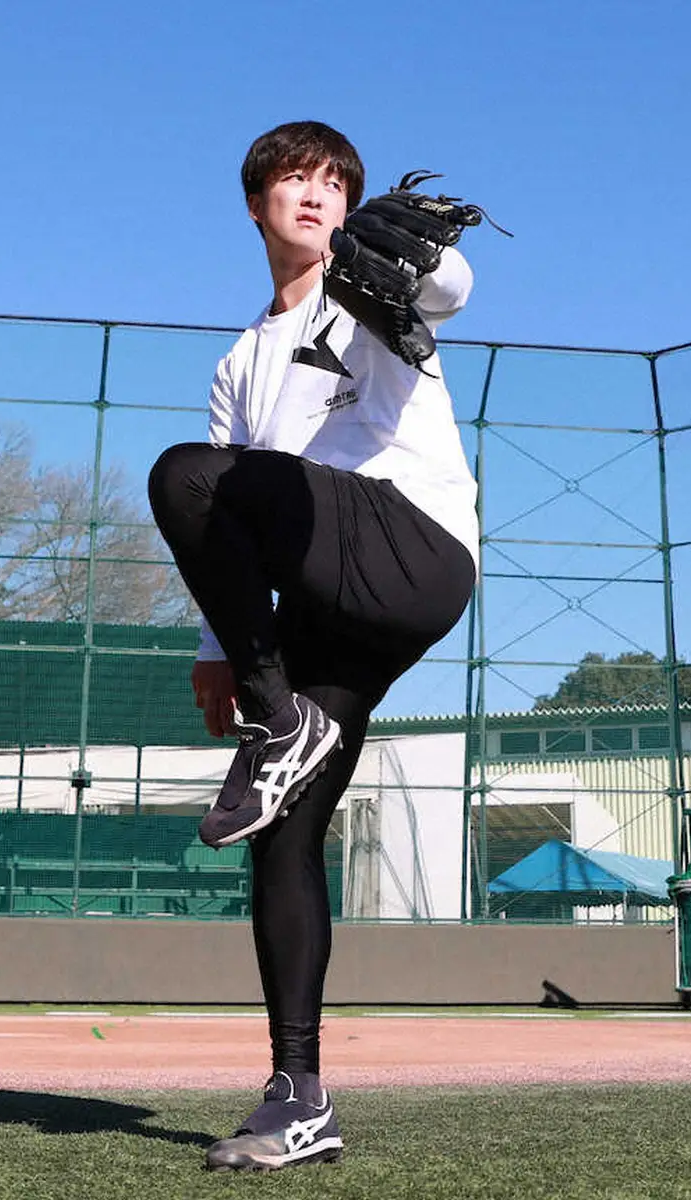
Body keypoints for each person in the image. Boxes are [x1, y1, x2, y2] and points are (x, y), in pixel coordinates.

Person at [148, 120, 478, 1171]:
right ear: (256, 205)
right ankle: (299, 1098)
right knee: (284, 834)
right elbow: (227, 528)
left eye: (334, 181)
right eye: (294, 177)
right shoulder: (240, 361)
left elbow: (448, 289)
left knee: (183, 474)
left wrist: (422, 262)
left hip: (416, 550)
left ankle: (279, 717)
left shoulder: (369, 291)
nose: (316, 193)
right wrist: (222, 647)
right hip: (332, 600)